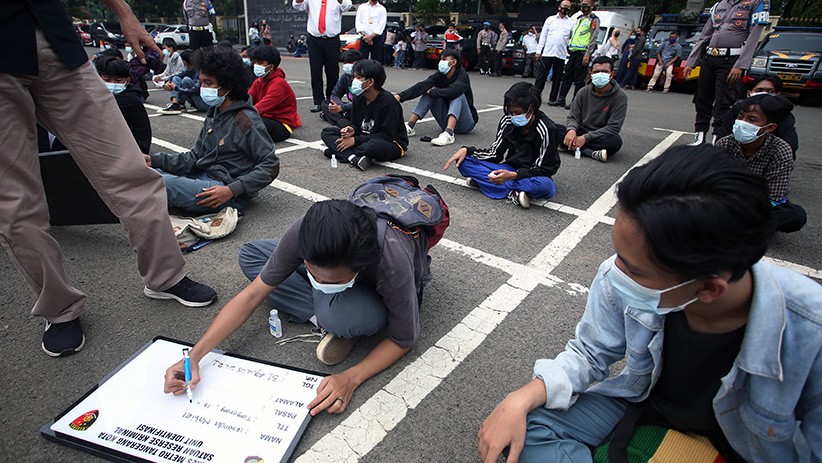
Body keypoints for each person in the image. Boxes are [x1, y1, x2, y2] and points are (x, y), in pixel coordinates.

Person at [478, 144, 821, 463]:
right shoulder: (624, 272)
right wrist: (520, 398)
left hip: (744, 444)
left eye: (634, 269)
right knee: (520, 434)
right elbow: (591, 352)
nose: (614, 270)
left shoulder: (811, 335)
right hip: (644, 400)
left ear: (709, 289)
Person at [1, 0, 217, 357]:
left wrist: (124, 14)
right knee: (16, 205)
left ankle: (165, 276)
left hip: (53, 36)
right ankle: (59, 309)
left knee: (131, 169)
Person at [163, 198, 435, 417]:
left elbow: (403, 339)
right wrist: (194, 357)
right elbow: (252, 295)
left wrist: (351, 378)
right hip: (339, 268)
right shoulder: (306, 230)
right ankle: (329, 316)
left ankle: (336, 318)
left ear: (360, 267)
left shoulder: (392, 262)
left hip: (377, 285)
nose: (317, 282)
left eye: (332, 280)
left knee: (337, 314)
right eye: (311, 272)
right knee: (251, 255)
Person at [146, 47, 280, 214]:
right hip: (202, 175)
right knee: (147, 173)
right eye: (201, 82)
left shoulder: (246, 121)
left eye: (208, 83)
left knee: (160, 184)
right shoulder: (215, 112)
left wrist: (232, 190)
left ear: (228, 84)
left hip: (222, 190)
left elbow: (270, 164)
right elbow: (194, 157)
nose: (202, 88)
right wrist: (154, 161)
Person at [443, 82, 560, 210]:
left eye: (517, 112)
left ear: (531, 109)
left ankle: (488, 183)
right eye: (511, 112)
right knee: (464, 162)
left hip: (532, 174)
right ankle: (512, 191)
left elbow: (545, 168)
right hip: (508, 168)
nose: (514, 116)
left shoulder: (547, 129)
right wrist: (468, 150)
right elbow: (495, 153)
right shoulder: (507, 121)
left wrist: (514, 175)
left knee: (547, 187)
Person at [684, 0, 771, 146]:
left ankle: (719, 138)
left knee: (724, 101)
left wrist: (741, 65)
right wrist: (691, 61)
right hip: (710, 57)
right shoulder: (719, 5)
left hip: (731, 60)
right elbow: (705, 35)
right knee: (702, 98)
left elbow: (753, 36)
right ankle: (699, 135)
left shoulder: (756, 3)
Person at [715, 94, 806, 233]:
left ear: (769, 127)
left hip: (757, 205)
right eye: (740, 117)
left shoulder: (780, 151)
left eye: (752, 119)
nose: (742, 123)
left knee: (795, 215)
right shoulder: (726, 143)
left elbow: (774, 196)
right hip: (725, 198)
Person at [320, 59, 408, 171]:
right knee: (327, 132)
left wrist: (355, 140)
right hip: (364, 137)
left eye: (358, 78)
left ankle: (338, 152)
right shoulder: (359, 98)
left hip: (391, 143)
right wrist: (351, 129)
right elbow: (356, 125)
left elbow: (387, 135)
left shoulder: (389, 102)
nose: (354, 81)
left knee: (370, 147)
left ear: (370, 81)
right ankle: (352, 158)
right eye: (354, 77)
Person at [396, 49, 479, 147]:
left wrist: (434, 92)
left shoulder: (463, 76)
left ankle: (449, 134)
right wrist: (400, 96)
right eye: (441, 59)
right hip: (444, 121)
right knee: (428, 91)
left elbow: (453, 91)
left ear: (453, 62)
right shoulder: (440, 75)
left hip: (465, 124)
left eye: (444, 59)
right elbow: (422, 85)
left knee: (457, 94)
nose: (441, 62)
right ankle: (410, 126)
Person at [556, 56, 627, 163]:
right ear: (591, 74)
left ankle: (570, 146)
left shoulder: (620, 96)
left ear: (611, 75)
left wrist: (585, 138)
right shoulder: (583, 92)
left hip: (601, 135)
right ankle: (591, 153)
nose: (600, 74)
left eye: (604, 71)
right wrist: (571, 130)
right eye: (597, 71)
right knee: (552, 129)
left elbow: (614, 127)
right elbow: (573, 117)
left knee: (615, 142)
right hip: (581, 129)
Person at [716, 74, 799, 157]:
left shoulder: (781, 151)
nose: (764, 94)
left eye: (770, 91)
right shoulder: (726, 142)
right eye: (759, 90)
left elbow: (791, 143)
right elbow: (722, 135)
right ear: (749, 93)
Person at [293, 0, 352, 113]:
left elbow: (347, 6)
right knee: (315, 71)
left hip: (332, 39)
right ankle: (318, 102)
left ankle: (332, 99)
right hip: (314, 39)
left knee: (332, 71)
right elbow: (298, 6)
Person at [94, 56, 152, 153]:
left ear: (127, 81)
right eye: (107, 80)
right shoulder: (116, 96)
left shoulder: (127, 100)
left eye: (118, 80)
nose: (112, 84)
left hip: (133, 151)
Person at [249, 45, 302, 143]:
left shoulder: (279, 84)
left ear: (271, 66)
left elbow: (258, 109)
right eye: (255, 62)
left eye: (260, 63)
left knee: (249, 122)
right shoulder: (259, 81)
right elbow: (247, 100)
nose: (256, 65)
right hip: (265, 118)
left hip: (282, 125)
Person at [555, 0, 599, 109]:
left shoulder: (593, 20)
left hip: (583, 52)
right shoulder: (579, 18)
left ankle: (576, 102)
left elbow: (593, 38)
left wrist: (588, 54)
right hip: (573, 51)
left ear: (592, 6)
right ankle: (561, 98)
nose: (583, 7)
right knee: (567, 76)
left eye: (586, 5)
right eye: (582, 5)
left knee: (579, 79)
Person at [535, 0, 574, 106]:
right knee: (541, 77)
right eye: (563, 6)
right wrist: (539, 51)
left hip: (561, 54)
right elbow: (543, 36)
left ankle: (553, 98)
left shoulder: (571, 22)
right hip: (548, 52)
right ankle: (535, 96)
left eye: (567, 7)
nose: (565, 8)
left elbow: (573, 38)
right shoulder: (550, 20)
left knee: (557, 79)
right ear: (559, 7)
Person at [158, 50, 210, 114]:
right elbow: (177, 75)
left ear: (185, 61)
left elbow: (196, 90)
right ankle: (176, 103)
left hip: (203, 103)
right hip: (195, 100)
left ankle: (179, 104)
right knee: (176, 78)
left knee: (186, 80)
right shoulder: (187, 70)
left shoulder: (199, 72)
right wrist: (167, 82)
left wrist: (176, 88)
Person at [321, 49, 362, 128]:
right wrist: (339, 105)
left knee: (356, 110)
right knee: (326, 104)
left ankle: (338, 119)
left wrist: (342, 108)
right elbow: (335, 95)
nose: (346, 66)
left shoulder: (364, 77)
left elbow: (362, 101)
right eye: (344, 63)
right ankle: (342, 121)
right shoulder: (345, 77)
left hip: (359, 107)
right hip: (347, 107)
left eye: (349, 63)